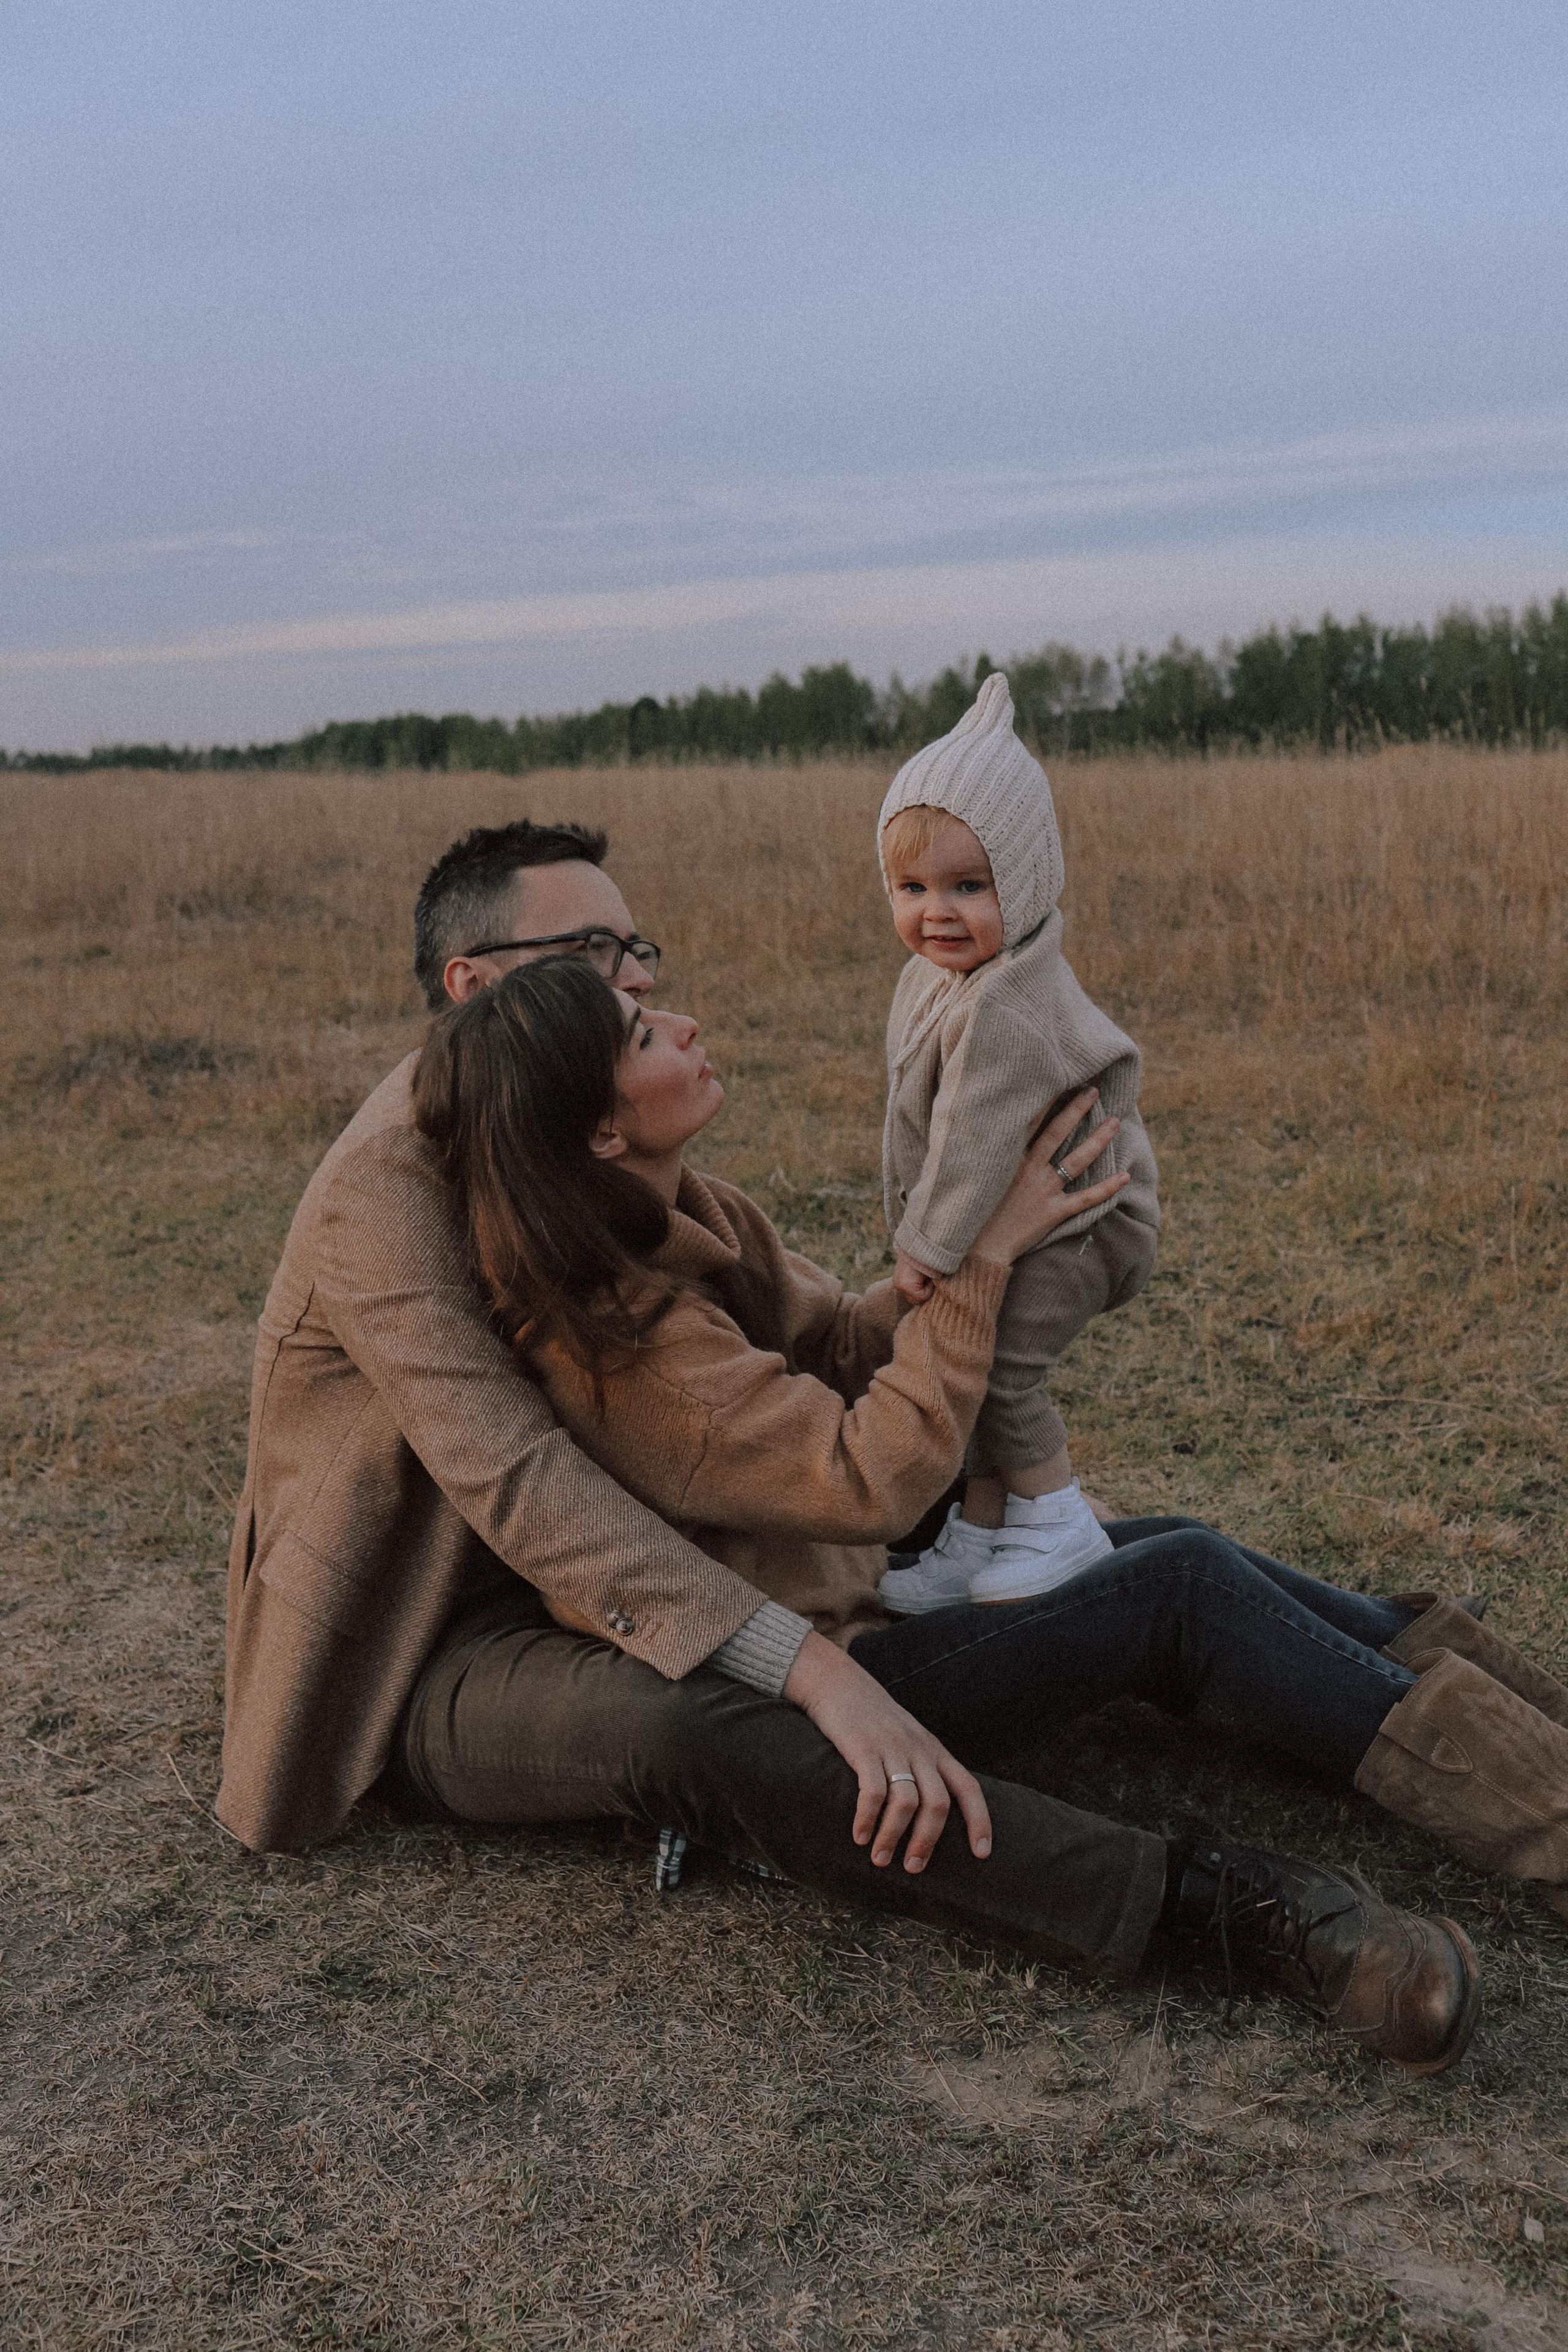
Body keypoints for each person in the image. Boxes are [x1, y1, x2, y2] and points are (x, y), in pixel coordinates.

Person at [214, 816, 1555, 2082]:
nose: (642, 980)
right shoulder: (384, 1197)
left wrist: (959, 1241)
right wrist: (815, 1675)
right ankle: (1232, 1913)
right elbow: (523, 1487)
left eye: (635, 954)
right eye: (593, 964)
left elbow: (815, 1345)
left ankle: (1507, 1728)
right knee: (692, 1723)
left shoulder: (613, 1168)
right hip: (454, 1627)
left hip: (696, 1530)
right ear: (473, 984)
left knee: (1133, 1566)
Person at [875, 671, 1160, 1613]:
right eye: (911, 887)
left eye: (969, 885)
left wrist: (924, 1248)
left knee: (999, 1368)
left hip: (1084, 1221)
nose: (937, 911)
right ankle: (982, 1529)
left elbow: (969, 1138)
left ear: (1027, 882)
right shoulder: (934, 978)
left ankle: (1057, 1519)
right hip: (1015, 1217)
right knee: (965, 1357)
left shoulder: (1008, 997)